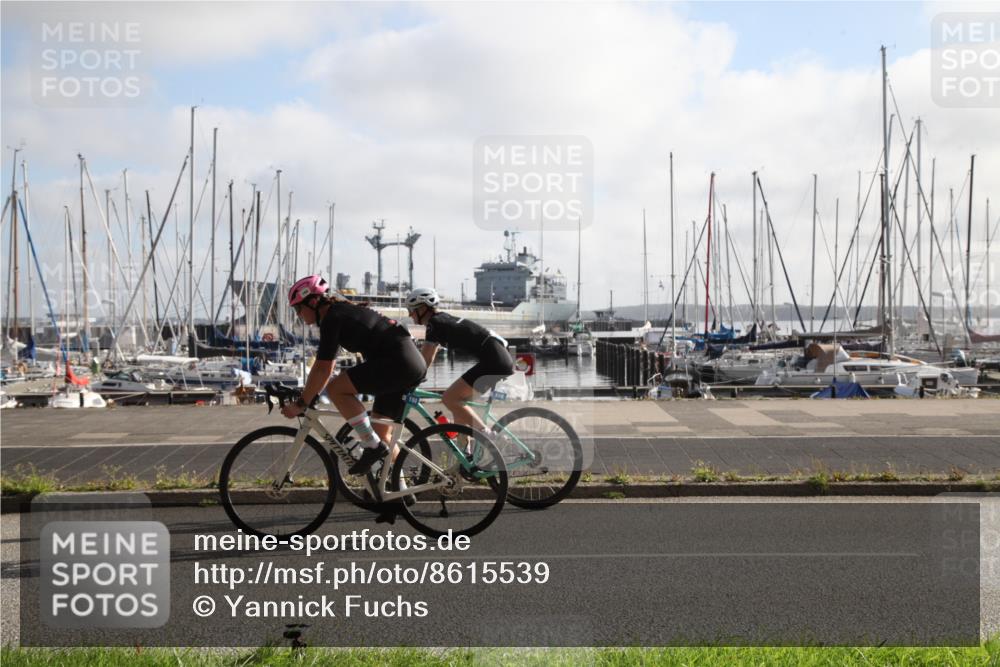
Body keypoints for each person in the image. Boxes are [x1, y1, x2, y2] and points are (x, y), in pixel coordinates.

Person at [279, 275, 427, 475]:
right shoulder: (341, 313)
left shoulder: (333, 318)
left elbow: (323, 368)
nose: (298, 315)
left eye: (298, 309)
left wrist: (300, 404)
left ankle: (372, 446)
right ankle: (398, 488)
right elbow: (322, 366)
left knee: (336, 389)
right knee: (381, 432)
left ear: (313, 302)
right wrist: (307, 393)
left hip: (399, 363)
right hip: (408, 363)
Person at [405, 287, 514, 433]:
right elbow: (428, 357)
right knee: (459, 405)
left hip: (494, 361)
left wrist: (410, 379)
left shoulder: (434, 324)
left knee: (449, 398)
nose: (410, 314)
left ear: (423, 308)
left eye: (412, 309)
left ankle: (485, 434)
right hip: (498, 358)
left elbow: (425, 359)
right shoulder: (441, 320)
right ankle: (465, 454)